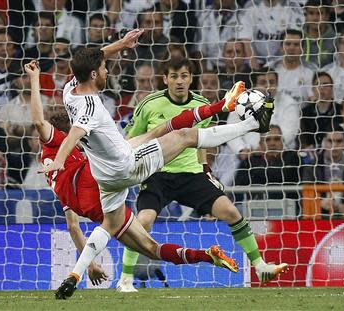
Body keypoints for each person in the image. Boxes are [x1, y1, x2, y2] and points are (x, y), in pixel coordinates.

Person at [39, 29, 279, 299]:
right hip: (126, 165)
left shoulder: (70, 90)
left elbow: (94, 57)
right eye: (104, 69)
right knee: (184, 137)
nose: (107, 71)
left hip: (105, 174)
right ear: (94, 74)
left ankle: (74, 276)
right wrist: (59, 160)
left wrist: (121, 45)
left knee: (115, 225)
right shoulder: (90, 108)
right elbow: (74, 134)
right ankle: (249, 121)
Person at [117, 56, 286, 292]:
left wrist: (207, 170)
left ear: (190, 78)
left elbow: (203, 142)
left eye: (184, 76)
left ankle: (260, 266)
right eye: (174, 76)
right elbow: (130, 140)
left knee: (230, 211)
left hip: (192, 175)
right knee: (143, 221)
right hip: (157, 174)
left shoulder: (201, 103)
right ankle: (125, 280)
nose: (179, 81)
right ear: (165, 79)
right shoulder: (149, 104)